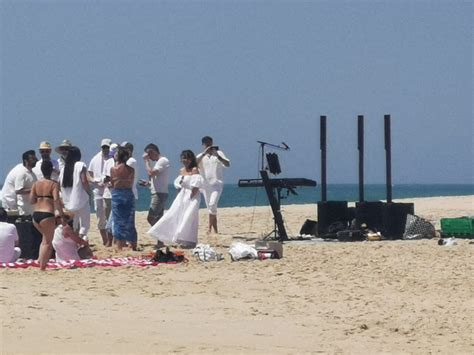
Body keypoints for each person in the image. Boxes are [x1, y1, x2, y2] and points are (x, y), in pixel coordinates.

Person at [148, 150, 203, 249]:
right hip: (182, 195)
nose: (185, 160)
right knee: (177, 215)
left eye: (187, 158)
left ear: (191, 159)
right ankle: (178, 237)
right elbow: (179, 184)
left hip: (192, 196)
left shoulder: (195, 170)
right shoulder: (182, 170)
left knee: (189, 217)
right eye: (183, 158)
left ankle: (190, 240)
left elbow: (196, 185)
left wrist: (191, 196)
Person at [30, 160, 65, 270]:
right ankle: (42, 267)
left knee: (44, 239)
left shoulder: (36, 184)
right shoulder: (53, 184)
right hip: (47, 214)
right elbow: (56, 200)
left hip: (36, 215)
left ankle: (40, 261)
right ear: (51, 170)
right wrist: (62, 214)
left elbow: (31, 200)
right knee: (47, 242)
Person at [196, 136, 230, 234]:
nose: (208, 146)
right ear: (203, 145)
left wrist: (217, 156)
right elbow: (194, 164)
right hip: (205, 185)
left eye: (209, 143)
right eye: (206, 144)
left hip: (217, 184)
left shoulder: (219, 153)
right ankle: (215, 230)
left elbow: (227, 164)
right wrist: (204, 154)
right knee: (211, 209)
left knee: (212, 204)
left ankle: (209, 229)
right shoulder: (201, 156)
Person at [59, 146, 91, 241]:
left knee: (74, 223)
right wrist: (89, 193)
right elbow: (84, 180)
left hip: (69, 201)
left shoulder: (64, 168)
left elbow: (59, 185)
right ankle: (80, 241)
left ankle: (74, 243)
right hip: (81, 198)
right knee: (84, 224)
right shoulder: (80, 165)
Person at [110, 147, 137, 250]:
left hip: (117, 194)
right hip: (128, 193)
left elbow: (113, 183)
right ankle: (133, 245)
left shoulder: (113, 169)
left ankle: (119, 246)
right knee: (130, 220)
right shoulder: (131, 170)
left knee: (118, 221)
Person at [88, 138, 112, 245]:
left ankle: (111, 239)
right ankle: (105, 240)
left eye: (107, 147)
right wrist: (94, 181)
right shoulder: (95, 158)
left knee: (109, 214)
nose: (105, 149)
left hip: (109, 188)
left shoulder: (113, 158)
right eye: (104, 147)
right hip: (98, 189)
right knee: (99, 215)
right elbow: (89, 173)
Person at [1, 150, 38, 215]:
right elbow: (18, 190)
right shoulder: (21, 172)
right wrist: (33, 190)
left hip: (26, 206)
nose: (35, 160)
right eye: (32, 159)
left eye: (35, 158)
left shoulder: (31, 172)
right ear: (26, 161)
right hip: (10, 202)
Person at [141, 143, 170, 226]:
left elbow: (151, 173)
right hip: (159, 193)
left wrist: (146, 161)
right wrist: (148, 184)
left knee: (151, 218)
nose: (149, 157)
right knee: (158, 219)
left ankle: (162, 234)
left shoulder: (163, 161)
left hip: (159, 194)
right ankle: (161, 238)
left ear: (154, 151)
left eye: (149, 154)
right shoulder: (159, 162)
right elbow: (158, 179)